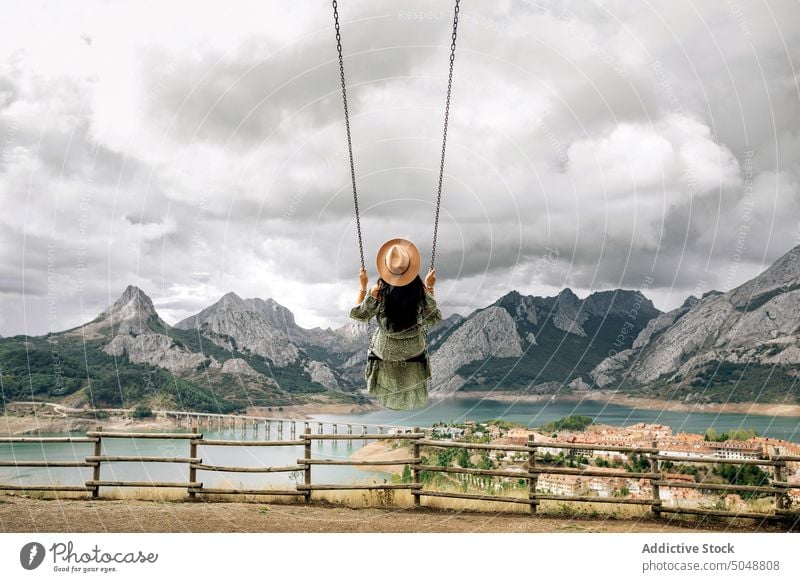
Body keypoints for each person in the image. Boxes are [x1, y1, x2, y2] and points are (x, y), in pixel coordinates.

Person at [350, 238, 442, 410]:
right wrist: (429, 287)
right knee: (420, 341)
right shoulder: (420, 290)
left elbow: (359, 315)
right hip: (415, 351)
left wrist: (362, 286)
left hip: (386, 352)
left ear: (385, 268)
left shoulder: (378, 291)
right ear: (410, 268)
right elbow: (433, 317)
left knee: (376, 341)